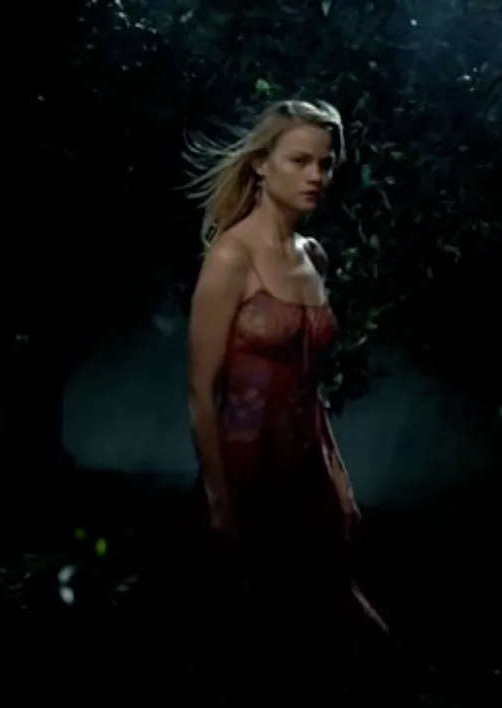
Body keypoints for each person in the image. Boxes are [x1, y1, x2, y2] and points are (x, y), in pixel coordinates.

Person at [185, 99, 387, 700]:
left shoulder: (313, 255)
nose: (316, 176)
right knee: (262, 638)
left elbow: (309, 384)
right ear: (261, 164)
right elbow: (202, 390)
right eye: (299, 161)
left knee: (342, 632)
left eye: (325, 164)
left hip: (306, 464)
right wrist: (219, 499)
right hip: (246, 465)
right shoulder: (231, 257)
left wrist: (337, 473)